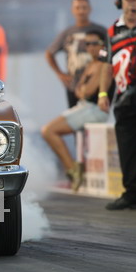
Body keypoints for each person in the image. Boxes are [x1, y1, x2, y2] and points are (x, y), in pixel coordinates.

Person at [99, 0, 136, 210]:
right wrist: (103, 93)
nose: (132, 3)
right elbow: (106, 66)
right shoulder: (112, 31)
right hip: (123, 101)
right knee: (128, 149)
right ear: (120, 3)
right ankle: (132, 195)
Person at [42, 32, 111, 191]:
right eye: (87, 44)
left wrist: (83, 89)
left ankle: (73, 170)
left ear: (102, 45)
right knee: (47, 131)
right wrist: (83, 89)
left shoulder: (104, 64)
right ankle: (73, 169)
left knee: (49, 131)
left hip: (94, 109)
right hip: (84, 106)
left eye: (94, 43)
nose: (90, 47)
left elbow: (87, 91)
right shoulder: (91, 64)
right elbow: (79, 91)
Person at [46, 0, 107, 108]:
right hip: (74, 85)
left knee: (93, 116)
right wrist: (60, 74)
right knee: (74, 116)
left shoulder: (100, 31)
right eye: (78, 8)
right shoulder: (67, 33)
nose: (81, 11)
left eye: (84, 7)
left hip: (96, 84)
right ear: (72, 10)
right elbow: (49, 53)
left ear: (90, 9)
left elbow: (110, 53)